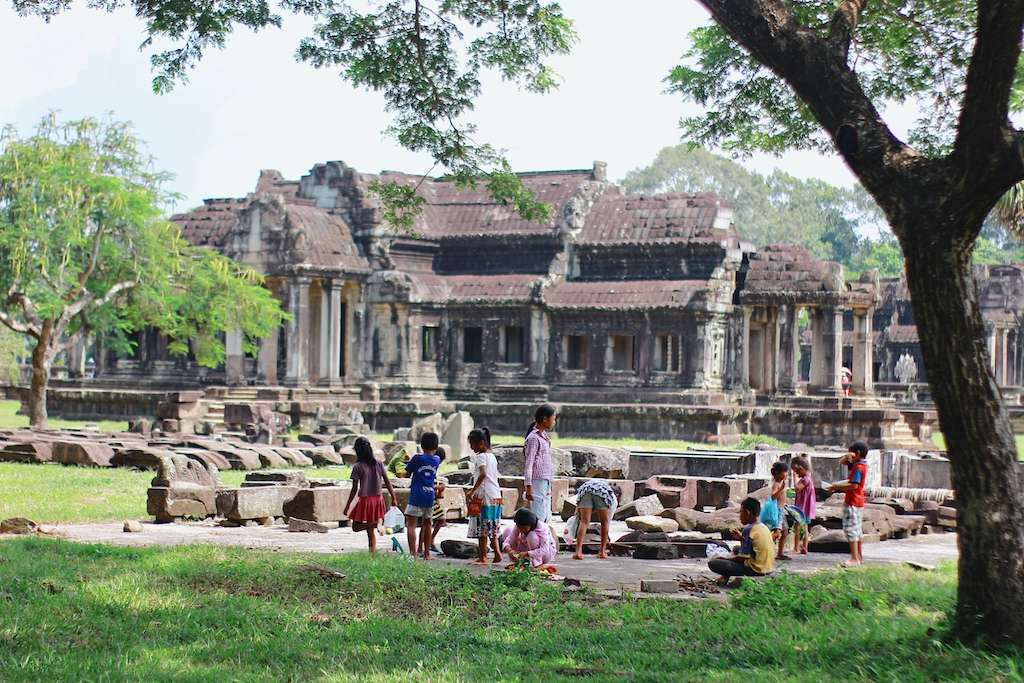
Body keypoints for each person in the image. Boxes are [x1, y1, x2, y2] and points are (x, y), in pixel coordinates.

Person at [344, 436, 398, 554]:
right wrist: (393, 498)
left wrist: (348, 506)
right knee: (370, 531)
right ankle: (372, 554)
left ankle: (376, 523)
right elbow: (388, 482)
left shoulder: (357, 466)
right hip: (378, 499)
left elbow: (354, 489)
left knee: (356, 527)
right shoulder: (378, 464)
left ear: (357, 451)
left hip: (365, 500)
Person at [708, 497, 775, 586]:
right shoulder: (762, 527)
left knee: (713, 563)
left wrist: (724, 558)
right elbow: (751, 548)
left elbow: (743, 557)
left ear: (747, 513)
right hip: (767, 567)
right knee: (736, 549)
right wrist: (741, 539)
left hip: (755, 569)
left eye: (741, 512)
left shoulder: (748, 529)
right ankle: (725, 576)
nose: (739, 516)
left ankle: (725, 576)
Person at [466, 427, 503, 565]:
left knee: (482, 528)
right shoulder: (492, 456)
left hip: (484, 496)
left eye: (473, 444)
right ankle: (497, 554)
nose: (471, 447)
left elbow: (483, 474)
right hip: (495, 495)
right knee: (492, 526)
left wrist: (471, 491)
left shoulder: (481, 457)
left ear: (481, 443)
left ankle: (483, 557)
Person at [829, 441, 869, 567]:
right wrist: (847, 457)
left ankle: (854, 558)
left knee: (851, 530)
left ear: (857, 453)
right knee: (857, 530)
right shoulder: (862, 465)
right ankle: (859, 557)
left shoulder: (858, 467)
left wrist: (836, 486)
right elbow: (842, 462)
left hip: (852, 501)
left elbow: (853, 485)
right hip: (859, 501)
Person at [404, 432, 441, 560]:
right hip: (429, 495)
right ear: (436, 447)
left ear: (421, 445)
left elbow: (406, 474)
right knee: (427, 524)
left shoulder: (417, 458)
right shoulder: (437, 460)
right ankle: (427, 553)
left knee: (411, 525)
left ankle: (413, 554)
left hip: (416, 495)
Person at [524, 404, 556, 523]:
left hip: (545, 480)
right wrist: (528, 487)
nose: (554, 422)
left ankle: (544, 539)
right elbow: (529, 464)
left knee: (546, 514)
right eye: (553, 419)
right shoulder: (533, 438)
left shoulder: (544, 438)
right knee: (538, 516)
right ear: (544, 419)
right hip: (537, 481)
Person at [570, 478, 617, 560]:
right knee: (604, 522)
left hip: (585, 490)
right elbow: (607, 521)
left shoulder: (589, 485)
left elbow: (577, 512)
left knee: (584, 522)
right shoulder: (611, 496)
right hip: (601, 491)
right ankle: (602, 552)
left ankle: (578, 552)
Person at [760, 461, 790, 560]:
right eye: (784, 472)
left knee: (784, 532)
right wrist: (780, 489)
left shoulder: (781, 483)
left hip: (781, 510)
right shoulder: (776, 484)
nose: (786, 474)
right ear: (777, 473)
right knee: (777, 532)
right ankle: (768, 551)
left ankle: (779, 553)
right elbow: (773, 496)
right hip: (777, 511)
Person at [791, 455, 816, 555]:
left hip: (802, 508)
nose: (796, 474)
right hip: (806, 508)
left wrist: (793, 478)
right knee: (804, 527)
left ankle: (797, 548)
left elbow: (797, 489)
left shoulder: (805, 480)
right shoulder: (808, 478)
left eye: (797, 471)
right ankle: (804, 547)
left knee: (797, 527)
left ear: (801, 468)